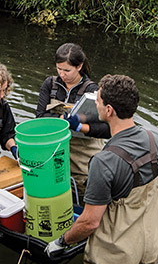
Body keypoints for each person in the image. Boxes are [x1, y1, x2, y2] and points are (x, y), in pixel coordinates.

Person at [44, 75, 158, 264]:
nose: (96, 105)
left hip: (117, 258)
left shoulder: (104, 161)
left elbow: (90, 222)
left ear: (109, 110)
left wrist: (60, 242)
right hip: (150, 246)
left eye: (98, 101)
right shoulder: (156, 140)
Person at [34, 43, 106, 193]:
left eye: (67, 70)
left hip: (83, 155)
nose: (62, 74)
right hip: (56, 151)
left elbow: (106, 128)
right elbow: (40, 116)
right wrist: (61, 119)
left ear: (79, 66)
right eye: (59, 69)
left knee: (82, 191)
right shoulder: (50, 85)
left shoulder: (93, 91)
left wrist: (79, 126)